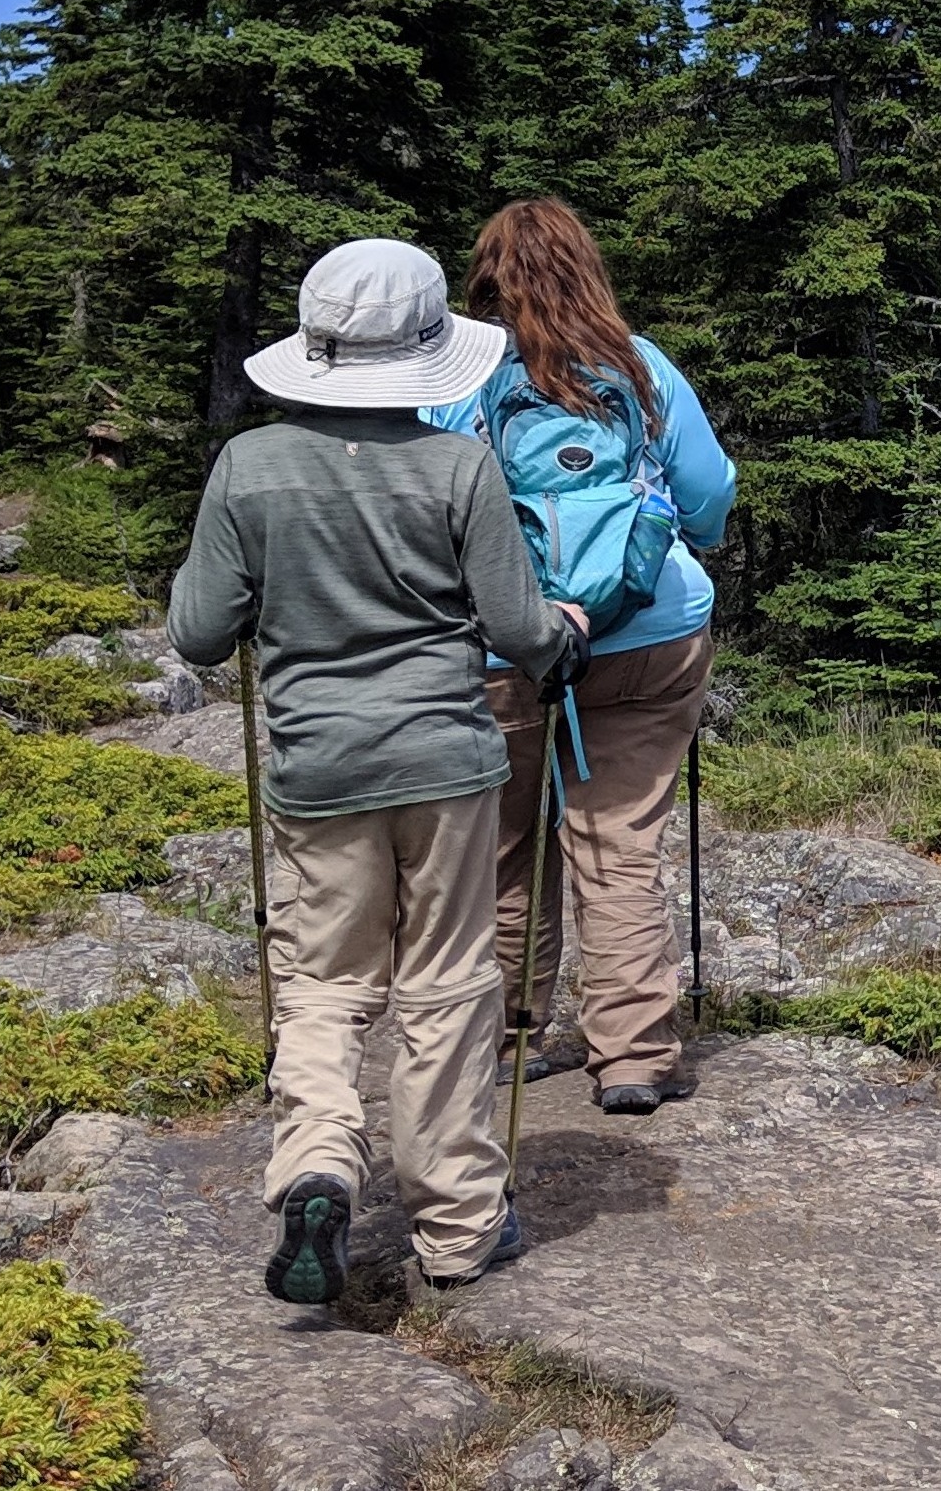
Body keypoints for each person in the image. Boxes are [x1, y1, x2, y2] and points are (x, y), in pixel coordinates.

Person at [169, 238, 590, 1303]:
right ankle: (456, 1225)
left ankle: (317, 1159)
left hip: (319, 767)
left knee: (320, 980)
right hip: (446, 761)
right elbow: (513, 624)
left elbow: (199, 633)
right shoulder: (459, 465)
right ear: (425, 352)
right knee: (448, 983)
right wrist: (562, 633)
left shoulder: (249, 468)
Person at [431, 198, 734, 1116]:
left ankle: (511, 1034)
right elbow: (710, 497)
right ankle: (633, 1055)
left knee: (508, 844)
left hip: (511, 639)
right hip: (652, 631)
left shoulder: (460, 380)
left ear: (486, 281)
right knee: (618, 842)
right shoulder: (641, 367)